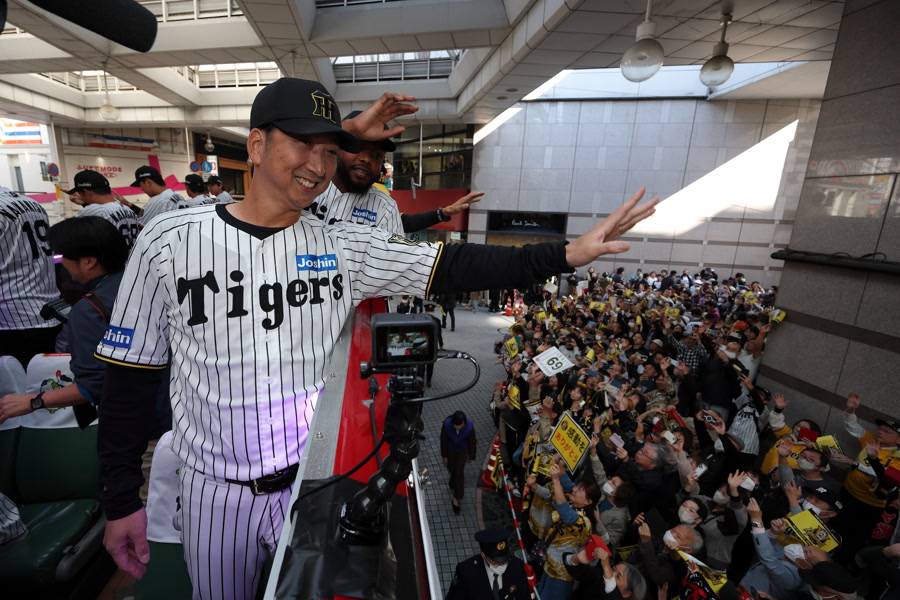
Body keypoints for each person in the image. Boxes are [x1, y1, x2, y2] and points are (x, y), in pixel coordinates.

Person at [95, 77, 659, 600]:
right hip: (216, 491)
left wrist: (564, 254)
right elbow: (127, 378)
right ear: (257, 145)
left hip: (315, 480)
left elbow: (453, 264)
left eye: (328, 151)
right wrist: (120, 500)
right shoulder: (169, 238)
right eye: (303, 144)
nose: (317, 165)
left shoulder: (343, 245)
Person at [0, 187, 61, 367]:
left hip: (14, 319)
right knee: (45, 376)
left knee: (19, 380)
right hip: (49, 307)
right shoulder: (33, 204)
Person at [446, 528, 531, 600]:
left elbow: (524, 596)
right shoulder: (466, 572)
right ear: (483, 555)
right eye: (496, 561)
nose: (502, 565)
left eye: (505, 560)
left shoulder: (517, 567)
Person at [67, 169, 141, 248]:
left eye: (80, 194)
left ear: (87, 193)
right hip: (131, 255)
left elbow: (65, 232)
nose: (81, 197)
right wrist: (84, 203)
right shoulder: (128, 210)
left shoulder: (97, 211)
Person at [440, 410, 476, 515]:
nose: (458, 427)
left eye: (460, 425)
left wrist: (471, 456)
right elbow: (443, 440)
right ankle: (453, 480)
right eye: (456, 425)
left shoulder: (469, 427)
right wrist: (444, 456)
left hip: (462, 451)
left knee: (459, 473)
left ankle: (456, 498)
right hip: (450, 450)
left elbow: (472, 442)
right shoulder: (447, 425)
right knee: (451, 469)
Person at [423, 301, 444, 387]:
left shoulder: (421, 319)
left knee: (421, 363)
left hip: (422, 345)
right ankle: (428, 381)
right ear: (433, 311)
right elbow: (439, 334)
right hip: (432, 346)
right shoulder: (437, 321)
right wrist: (441, 344)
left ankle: (420, 379)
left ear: (425, 310)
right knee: (430, 364)